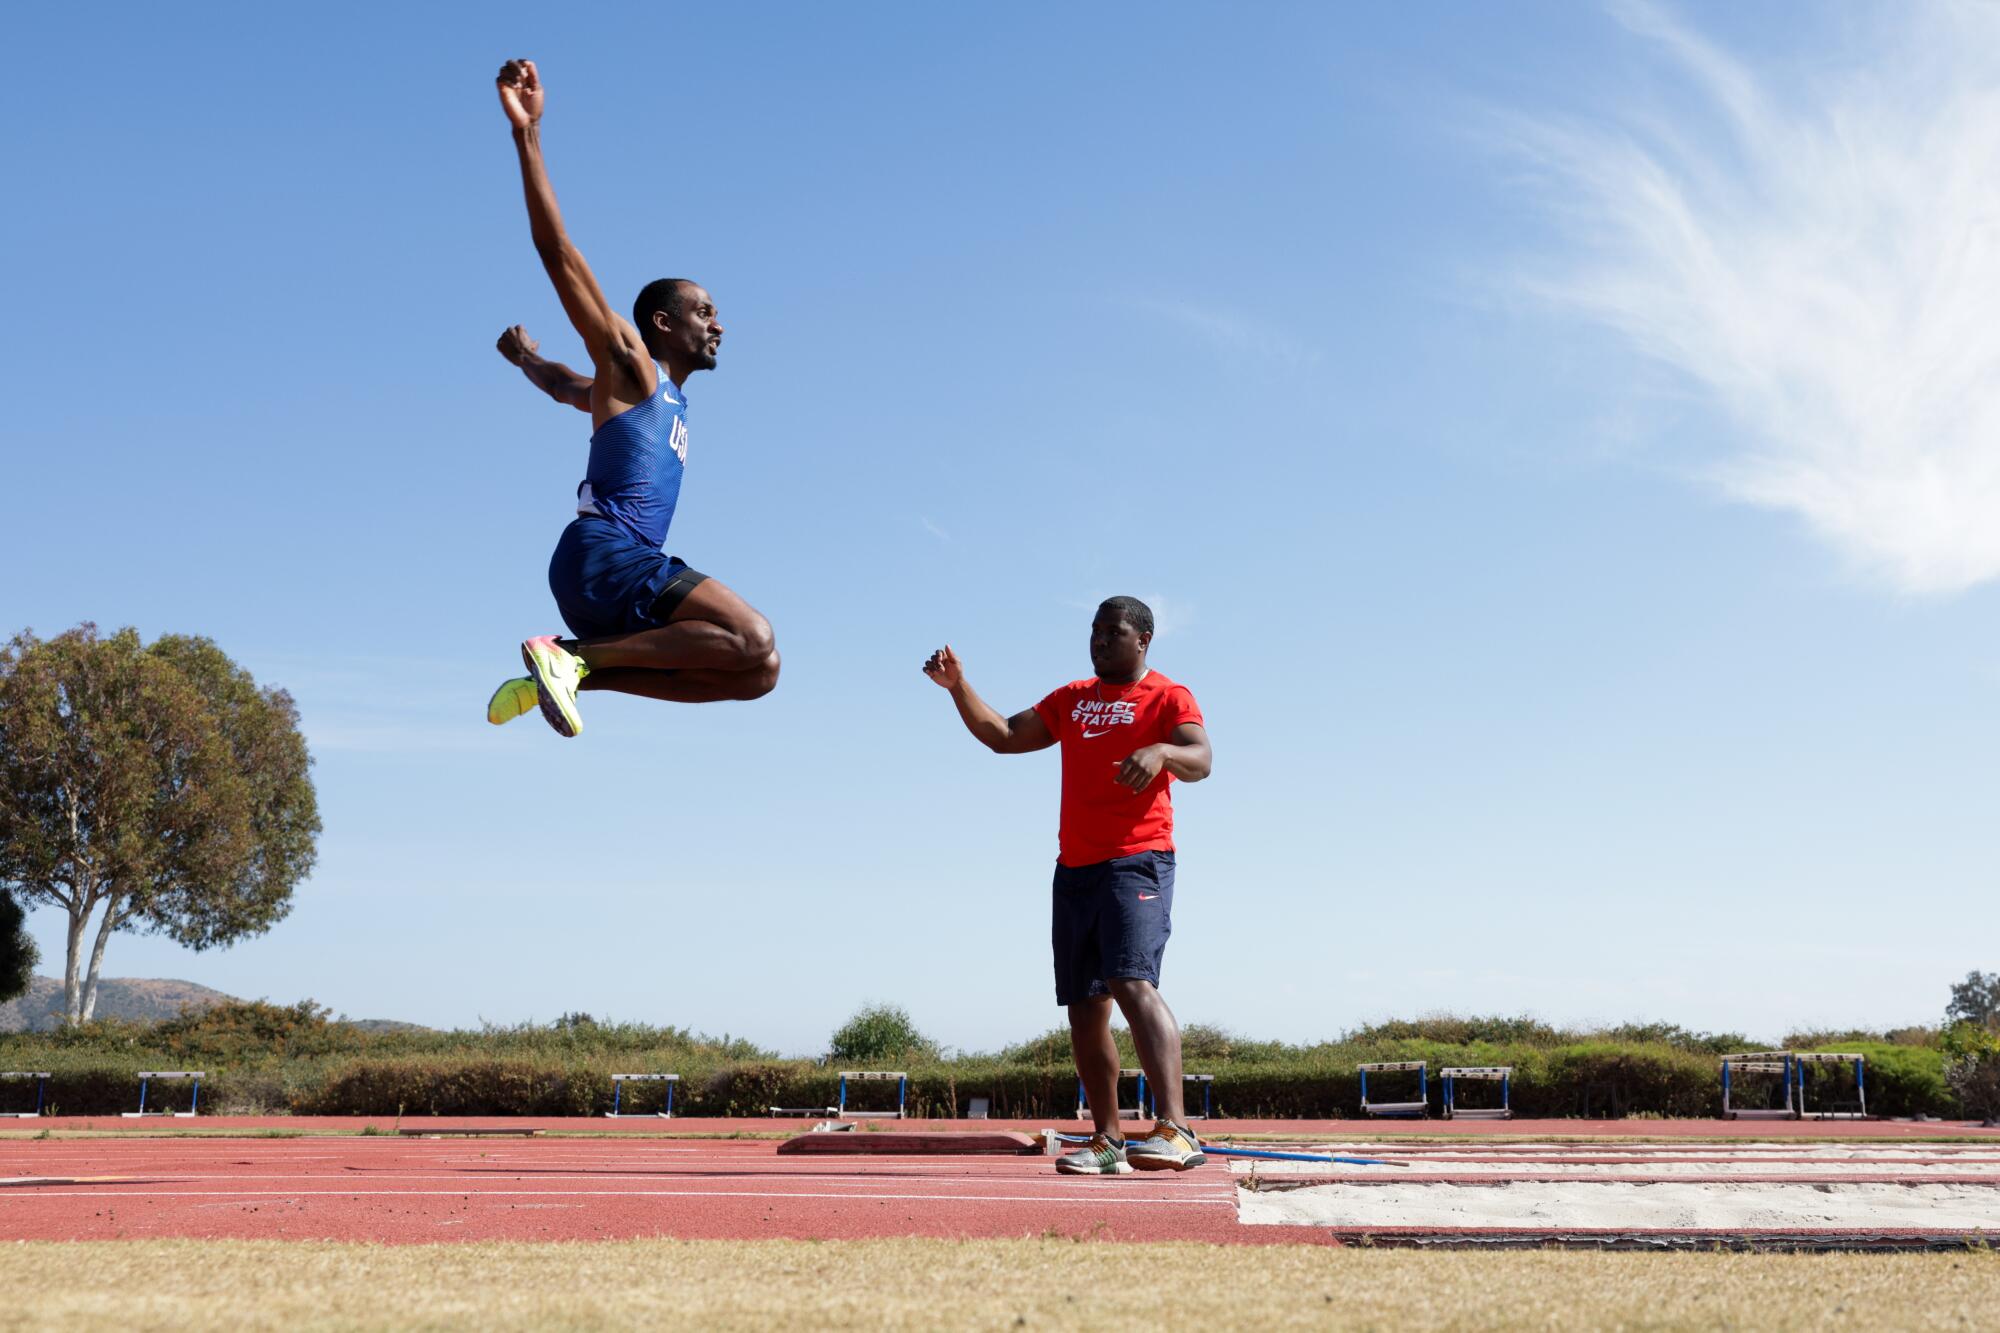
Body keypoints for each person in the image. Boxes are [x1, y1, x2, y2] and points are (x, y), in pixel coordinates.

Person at [486, 58, 779, 737]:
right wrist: (528, 136)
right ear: (662, 325)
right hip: (605, 555)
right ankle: (570, 658)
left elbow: (564, 386)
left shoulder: (643, 397)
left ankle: (568, 671)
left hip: (607, 573)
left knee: (757, 672)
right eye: (704, 312)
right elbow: (557, 251)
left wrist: (527, 357)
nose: (719, 324)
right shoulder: (633, 367)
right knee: (751, 634)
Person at [923, 597, 1213, 1174]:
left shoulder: (1168, 695)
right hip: (1074, 869)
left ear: (1144, 639)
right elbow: (1003, 734)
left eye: (1114, 632)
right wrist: (958, 687)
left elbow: (1201, 759)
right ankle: (1107, 1142)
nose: (1100, 641)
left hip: (1138, 861)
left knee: (1132, 980)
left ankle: (1177, 1129)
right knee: (1085, 1006)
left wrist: (1160, 750)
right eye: (1095, 631)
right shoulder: (1072, 699)